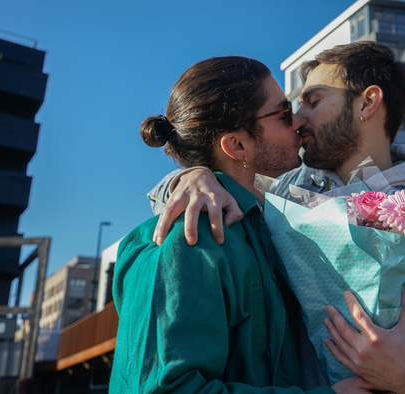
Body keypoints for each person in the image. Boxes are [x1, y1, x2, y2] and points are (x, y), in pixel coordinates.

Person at [149, 42, 405, 393]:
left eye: (313, 102)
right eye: (292, 108)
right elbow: (209, 173)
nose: (298, 120)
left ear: (368, 103)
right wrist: (192, 175)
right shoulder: (273, 204)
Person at [110, 56, 376, 393]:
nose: (298, 123)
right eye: (283, 115)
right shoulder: (185, 239)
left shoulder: (266, 226)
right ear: (237, 145)